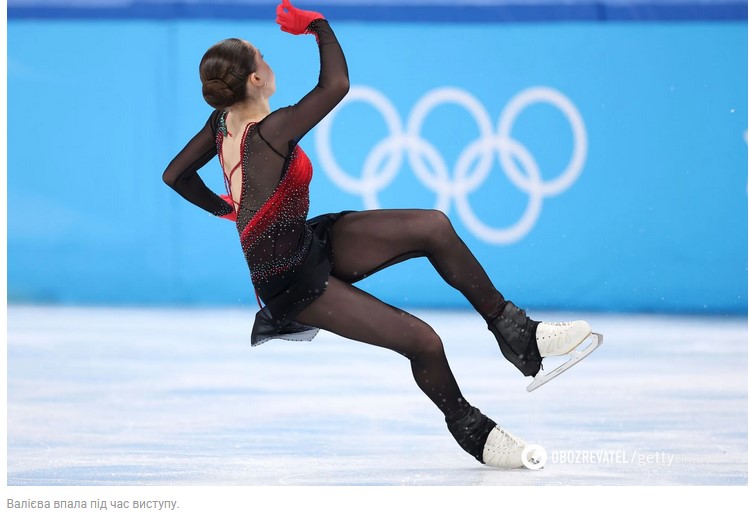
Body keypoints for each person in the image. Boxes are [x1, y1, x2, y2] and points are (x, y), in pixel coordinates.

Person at [163, 0, 594, 469]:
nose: (269, 61)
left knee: (432, 226)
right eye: (262, 57)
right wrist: (318, 26)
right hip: (290, 281)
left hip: (306, 243)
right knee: (423, 341)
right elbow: (336, 85)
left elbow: (176, 175)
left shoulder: (221, 124)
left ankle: (518, 333)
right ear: (255, 79)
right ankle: (475, 432)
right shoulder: (273, 130)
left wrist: (230, 211)